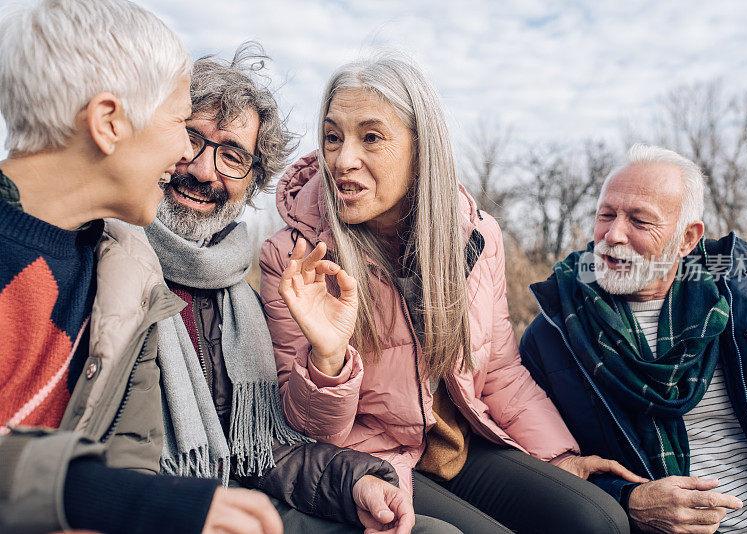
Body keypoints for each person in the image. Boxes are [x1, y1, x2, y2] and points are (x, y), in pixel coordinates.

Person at [259, 54, 643, 534]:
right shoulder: (293, 259)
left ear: (422, 149)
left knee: (597, 519)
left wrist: (559, 456)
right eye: (333, 137)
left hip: (461, 442)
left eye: (371, 137)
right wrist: (329, 358)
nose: (342, 159)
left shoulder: (476, 239)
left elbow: (500, 370)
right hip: (372, 459)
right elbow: (311, 432)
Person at [146, 43, 455, 534]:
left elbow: (265, 445)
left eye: (232, 156)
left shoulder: (235, 296)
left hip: (251, 494)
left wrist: (356, 482)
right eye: (192, 139)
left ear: (251, 183)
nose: (205, 171)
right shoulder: (113, 262)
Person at [0, 2, 278, 533]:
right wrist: (97, 495)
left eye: (232, 154)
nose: (188, 158)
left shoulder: (124, 277)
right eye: (183, 127)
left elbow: (130, 453)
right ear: (109, 123)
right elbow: (117, 488)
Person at [519, 144, 747, 534]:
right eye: (606, 215)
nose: (613, 235)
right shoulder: (552, 333)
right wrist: (625, 500)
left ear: (687, 239)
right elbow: (535, 470)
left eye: (640, 221)